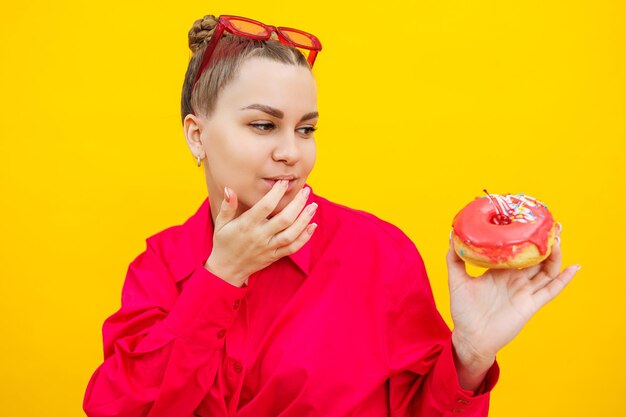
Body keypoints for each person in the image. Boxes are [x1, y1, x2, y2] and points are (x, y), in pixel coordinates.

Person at [83, 14, 579, 417]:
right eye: (263, 125)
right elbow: (120, 409)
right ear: (196, 135)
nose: (291, 152)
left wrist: (468, 360)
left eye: (305, 129)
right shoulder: (160, 268)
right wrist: (221, 277)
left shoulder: (378, 255)